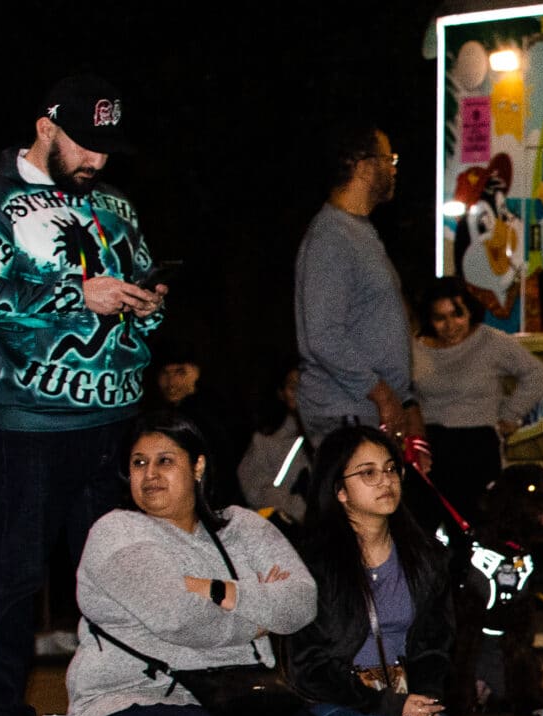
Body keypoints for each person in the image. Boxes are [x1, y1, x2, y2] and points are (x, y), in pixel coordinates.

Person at [0, 73, 167, 716]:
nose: (98, 161)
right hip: (31, 425)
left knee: (114, 571)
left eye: (108, 148)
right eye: (86, 145)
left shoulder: (114, 204)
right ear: (46, 126)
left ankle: (116, 705)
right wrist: (80, 292)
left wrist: (148, 300)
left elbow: (143, 284)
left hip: (115, 420)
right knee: (17, 570)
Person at [65, 416, 341, 716]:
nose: (150, 475)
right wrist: (259, 615)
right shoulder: (117, 533)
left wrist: (216, 590)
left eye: (165, 461)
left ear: (197, 466)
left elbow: (300, 603)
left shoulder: (242, 527)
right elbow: (177, 616)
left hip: (234, 700)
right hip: (123, 706)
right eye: (138, 463)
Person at [285, 425, 491, 716]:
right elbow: (309, 666)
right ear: (340, 491)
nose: (385, 481)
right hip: (334, 706)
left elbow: (434, 644)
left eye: (391, 469)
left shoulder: (425, 556)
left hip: (403, 700)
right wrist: (389, 706)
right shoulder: (313, 562)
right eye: (368, 473)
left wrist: (422, 703)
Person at [296, 124, 421, 444]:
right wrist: (380, 394)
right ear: (364, 166)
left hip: (368, 410)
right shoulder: (332, 237)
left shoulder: (361, 233)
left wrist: (405, 401)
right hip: (345, 411)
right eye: (389, 159)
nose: (394, 170)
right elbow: (323, 335)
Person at [412, 276, 543, 523]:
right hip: (431, 446)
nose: (450, 325)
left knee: (478, 522)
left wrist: (510, 414)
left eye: (457, 315)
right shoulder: (415, 349)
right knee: (425, 522)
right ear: (429, 320)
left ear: (470, 311)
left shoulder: (490, 342)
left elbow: (537, 374)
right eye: (440, 318)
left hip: (477, 445)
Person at [147, 337, 243, 512]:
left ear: (196, 373)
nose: (171, 382)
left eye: (180, 372)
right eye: (165, 374)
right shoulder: (159, 416)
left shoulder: (208, 415)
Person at [238, 364, 310, 521]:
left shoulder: (335, 437)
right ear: (281, 393)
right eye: (293, 387)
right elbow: (255, 490)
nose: (301, 394)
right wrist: (300, 510)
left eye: (307, 386)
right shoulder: (265, 441)